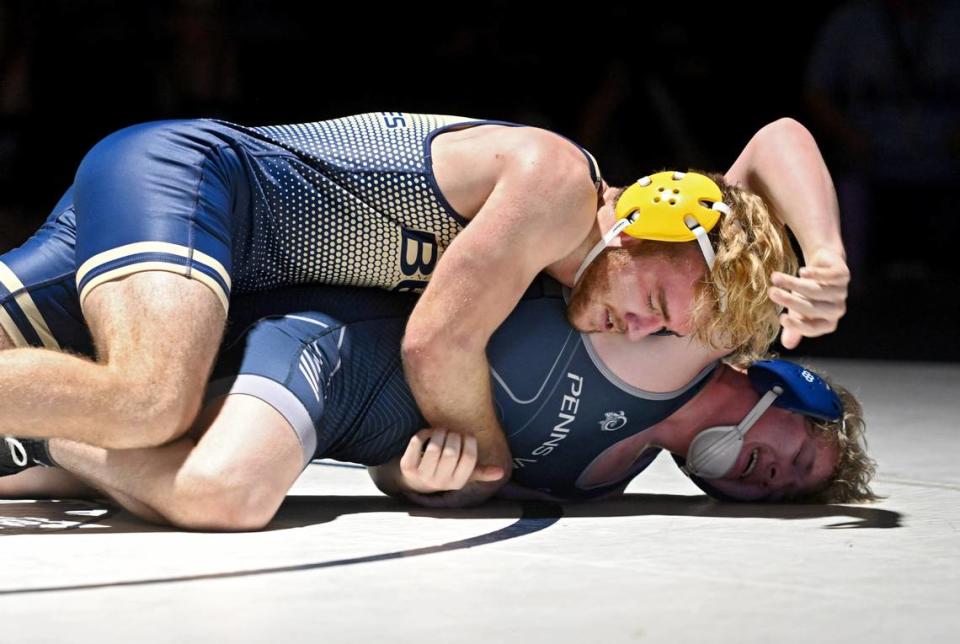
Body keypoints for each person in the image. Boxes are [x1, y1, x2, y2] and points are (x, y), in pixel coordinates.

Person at [0, 113, 850, 506]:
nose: (642, 328)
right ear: (640, 224)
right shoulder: (555, 187)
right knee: (150, 400)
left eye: (667, 331)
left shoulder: (659, 255)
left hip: (236, 277)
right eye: (654, 301)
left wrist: (822, 254)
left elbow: (772, 149)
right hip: (204, 190)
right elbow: (437, 343)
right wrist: (481, 457)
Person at [0, 279, 875, 531]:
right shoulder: (675, 337)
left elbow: (415, 468)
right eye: (800, 455)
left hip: (335, 428)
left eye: (783, 492)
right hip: (332, 344)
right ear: (788, 390)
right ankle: (43, 418)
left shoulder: (599, 484)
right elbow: (775, 140)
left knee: (60, 483)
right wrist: (825, 257)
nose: (771, 474)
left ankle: (40, 440)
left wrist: (429, 486)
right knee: (224, 494)